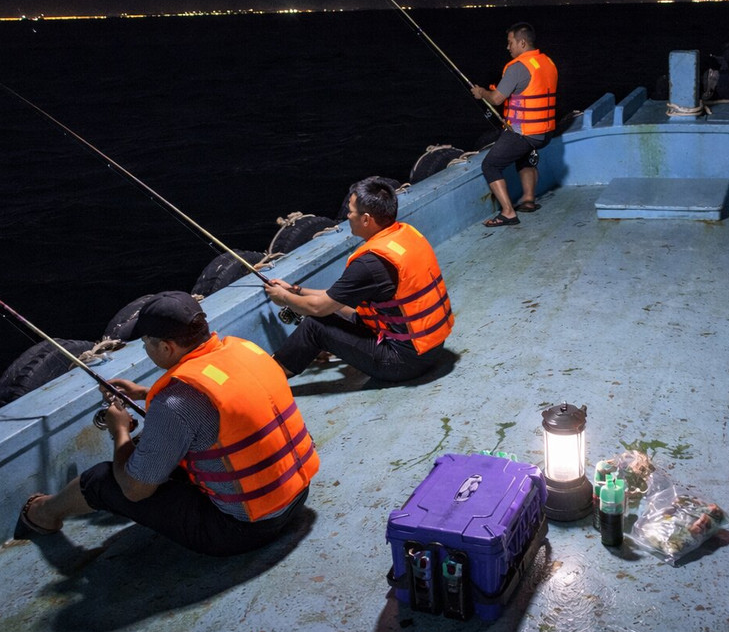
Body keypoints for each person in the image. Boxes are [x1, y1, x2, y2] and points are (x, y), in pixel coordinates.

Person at [16, 291, 318, 556]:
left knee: (102, 479)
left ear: (166, 348)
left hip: (242, 530)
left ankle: (41, 515)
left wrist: (119, 431)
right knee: (157, 449)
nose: (146, 349)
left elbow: (135, 490)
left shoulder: (176, 402)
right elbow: (227, 397)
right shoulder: (245, 350)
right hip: (296, 496)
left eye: (146, 343)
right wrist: (145, 393)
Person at [264, 176, 453, 382]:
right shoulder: (404, 236)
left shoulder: (369, 264)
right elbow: (335, 298)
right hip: (431, 347)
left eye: (351, 211)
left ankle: (270, 377)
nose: (347, 216)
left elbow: (319, 308)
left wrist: (283, 298)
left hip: (403, 362)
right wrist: (297, 291)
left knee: (314, 326)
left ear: (366, 219)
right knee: (345, 311)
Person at [471, 22, 558, 227]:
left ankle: (508, 213)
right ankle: (528, 200)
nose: (508, 47)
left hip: (526, 132)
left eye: (510, 43)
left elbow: (496, 99)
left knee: (490, 165)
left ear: (522, 43)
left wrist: (481, 92)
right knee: (523, 156)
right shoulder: (546, 62)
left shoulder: (518, 67)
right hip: (545, 132)